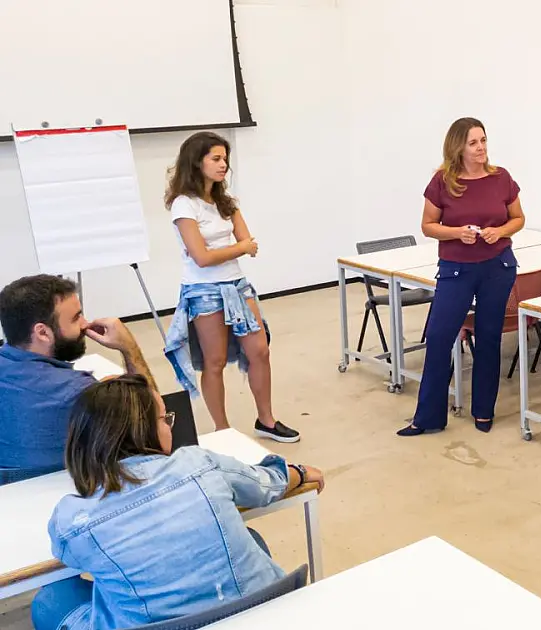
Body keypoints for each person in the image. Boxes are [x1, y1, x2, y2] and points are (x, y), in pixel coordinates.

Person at [31, 375, 326, 630]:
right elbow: (262, 484)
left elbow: (69, 558)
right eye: (164, 418)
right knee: (250, 540)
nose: (170, 426)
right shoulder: (198, 463)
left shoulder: (74, 517)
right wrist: (298, 473)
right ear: (142, 429)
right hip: (256, 612)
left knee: (52, 598)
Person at [163, 131, 299, 443]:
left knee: (259, 352)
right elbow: (203, 257)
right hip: (204, 292)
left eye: (225, 158)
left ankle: (266, 420)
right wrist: (239, 248)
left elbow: (247, 241)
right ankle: (222, 430)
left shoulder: (225, 202)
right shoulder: (185, 205)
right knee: (215, 361)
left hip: (237, 286)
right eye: (216, 158)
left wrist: (237, 248)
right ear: (197, 162)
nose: (223, 164)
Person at [397, 117, 525, 437]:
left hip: (498, 266)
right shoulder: (443, 181)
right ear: (458, 147)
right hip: (456, 268)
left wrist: (500, 232)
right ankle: (428, 417)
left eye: (483, 140)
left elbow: (518, 218)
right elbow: (428, 226)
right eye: (473, 142)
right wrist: (457, 233)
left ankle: (484, 411)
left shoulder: (501, 178)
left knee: (489, 338)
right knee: (439, 338)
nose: (481, 148)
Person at [0, 275, 155, 485]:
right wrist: (129, 348)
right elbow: (153, 419)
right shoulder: (75, 393)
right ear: (43, 332)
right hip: (67, 492)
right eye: (76, 318)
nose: (85, 324)